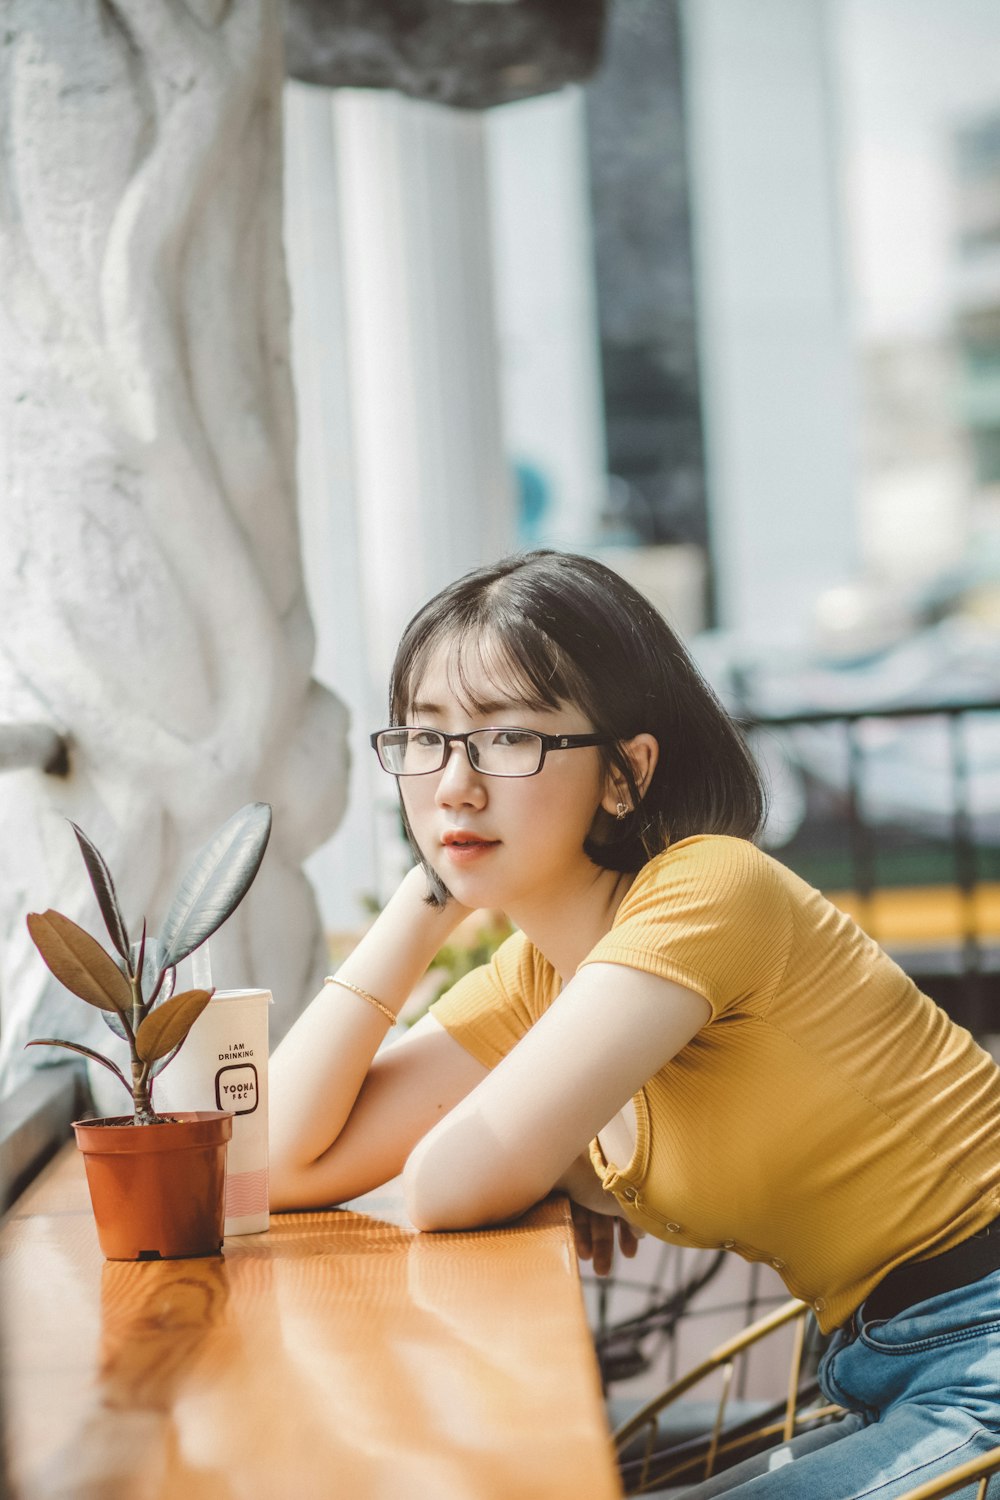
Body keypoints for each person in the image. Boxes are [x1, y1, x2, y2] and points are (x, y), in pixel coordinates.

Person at [269, 549, 1000, 1498]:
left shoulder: (707, 893)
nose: (453, 783)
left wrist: (559, 1160)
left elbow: (446, 1186)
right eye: (425, 737)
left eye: (508, 739)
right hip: (885, 1363)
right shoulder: (537, 974)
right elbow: (280, 1162)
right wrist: (424, 899)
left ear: (625, 771)